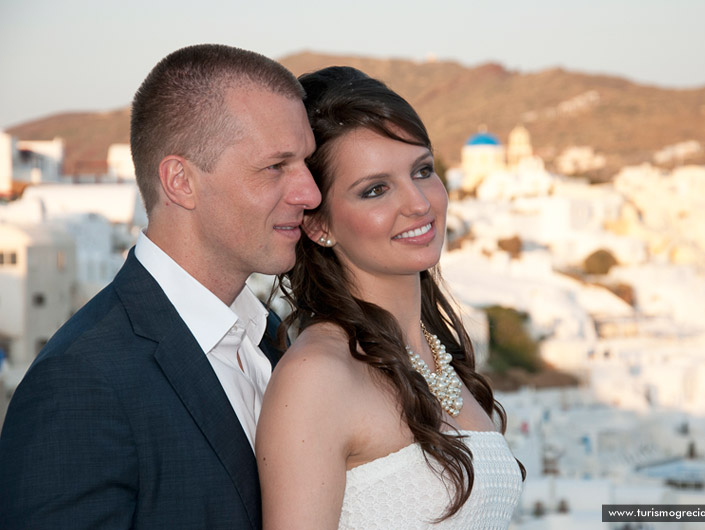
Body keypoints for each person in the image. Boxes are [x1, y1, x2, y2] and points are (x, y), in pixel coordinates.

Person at [0, 44, 320, 529]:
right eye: (276, 166)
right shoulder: (80, 385)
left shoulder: (270, 336)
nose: (309, 193)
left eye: (306, 163)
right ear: (180, 181)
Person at [256, 66, 524, 529]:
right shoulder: (319, 376)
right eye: (375, 189)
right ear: (318, 225)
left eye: (423, 170)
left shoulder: (435, 352)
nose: (419, 203)